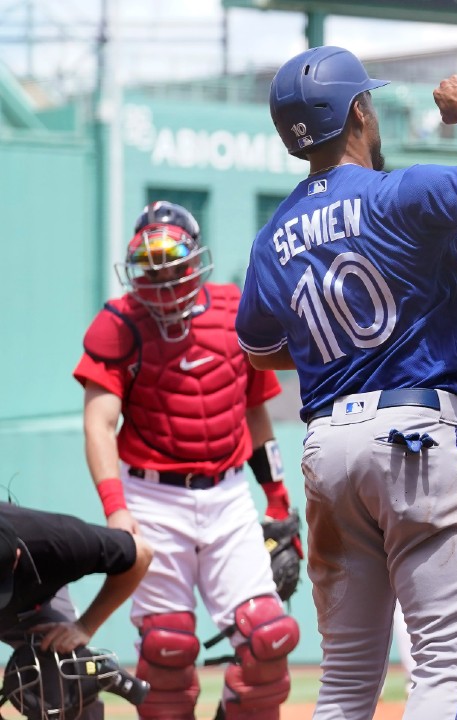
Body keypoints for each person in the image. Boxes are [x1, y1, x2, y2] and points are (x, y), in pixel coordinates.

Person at [236, 46, 457, 720]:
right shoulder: (401, 192)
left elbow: (261, 349)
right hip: (414, 438)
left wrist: (341, 350)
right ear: (359, 111)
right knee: (443, 671)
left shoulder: (273, 238)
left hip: (327, 448)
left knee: (346, 683)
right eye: (371, 102)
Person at [75, 200, 302, 720]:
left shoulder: (234, 311)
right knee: (167, 649)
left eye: (172, 260)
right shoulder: (118, 323)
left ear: (194, 258)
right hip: (151, 498)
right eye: (149, 263)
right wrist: (115, 509)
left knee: (269, 637)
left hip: (227, 496)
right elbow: (97, 424)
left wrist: (278, 501)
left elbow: (255, 415)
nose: (161, 274)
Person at [0, 502, 154, 720]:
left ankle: (89, 671)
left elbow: (142, 553)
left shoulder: (57, 540)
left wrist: (85, 626)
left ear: (16, 555)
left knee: (61, 688)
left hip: (31, 606)